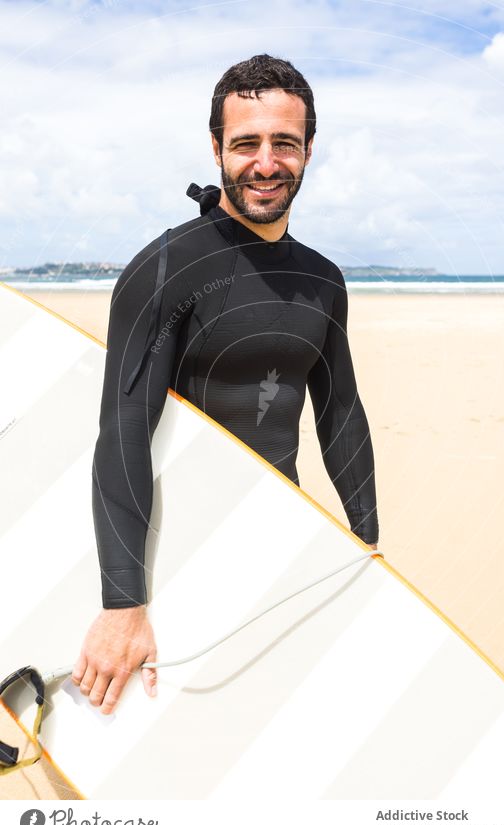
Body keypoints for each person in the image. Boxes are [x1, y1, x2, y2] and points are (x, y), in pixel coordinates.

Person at [71, 53, 379, 715]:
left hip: (278, 540)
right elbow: (122, 431)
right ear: (216, 148)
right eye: (246, 143)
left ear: (308, 150)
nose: (265, 162)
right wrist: (123, 604)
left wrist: (368, 541)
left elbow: (341, 412)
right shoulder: (166, 269)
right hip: (173, 555)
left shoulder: (324, 280)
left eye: (284, 144)